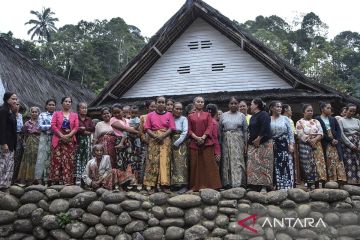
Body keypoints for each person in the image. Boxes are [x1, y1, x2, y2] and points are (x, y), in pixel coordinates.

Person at [188, 96, 222, 191]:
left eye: (202, 102)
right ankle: (196, 186)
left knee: (209, 164)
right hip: (194, 143)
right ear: (194, 103)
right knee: (196, 165)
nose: (200, 103)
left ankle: (212, 185)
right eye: (198, 102)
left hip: (207, 143)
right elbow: (189, 130)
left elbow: (210, 127)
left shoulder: (207, 115)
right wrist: (196, 138)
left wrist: (203, 137)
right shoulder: (190, 116)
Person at [143, 96, 175, 193]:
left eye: (163, 102)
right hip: (153, 139)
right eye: (159, 102)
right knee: (152, 162)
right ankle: (152, 186)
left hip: (165, 140)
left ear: (165, 104)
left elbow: (171, 128)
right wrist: (155, 136)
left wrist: (163, 136)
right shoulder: (150, 115)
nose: (161, 104)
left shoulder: (169, 115)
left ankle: (164, 185)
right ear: (156, 103)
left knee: (164, 161)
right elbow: (147, 128)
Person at [296, 104, 327, 190]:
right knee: (307, 165)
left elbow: (321, 132)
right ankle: (309, 185)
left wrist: (315, 140)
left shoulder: (316, 121)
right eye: (308, 110)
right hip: (305, 146)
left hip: (317, 145)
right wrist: (310, 141)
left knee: (318, 164)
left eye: (311, 111)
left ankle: (317, 185)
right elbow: (300, 133)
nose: (310, 112)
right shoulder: (299, 122)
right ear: (303, 112)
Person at [219, 97, 247, 188]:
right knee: (226, 160)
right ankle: (227, 183)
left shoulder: (242, 116)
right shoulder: (223, 115)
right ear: (229, 105)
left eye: (235, 103)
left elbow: (245, 130)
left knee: (238, 160)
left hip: (238, 140)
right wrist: (219, 143)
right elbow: (220, 130)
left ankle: (239, 182)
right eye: (232, 103)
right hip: (225, 140)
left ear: (238, 104)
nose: (233, 105)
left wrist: (245, 144)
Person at [50, 96, 79, 185]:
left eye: (69, 102)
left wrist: (69, 135)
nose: (68, 103)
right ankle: (56, 181)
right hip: (58, 139)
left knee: (69, 160)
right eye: (66, 101)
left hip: (70, 140)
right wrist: (62, 135)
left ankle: (67, 181)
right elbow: (53, 125)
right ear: (62, 103)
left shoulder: (74, 115)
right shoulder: (56, 113)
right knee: (57, 159)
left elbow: (76, 127)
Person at [110, 103, 139, 190]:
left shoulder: (126, 120)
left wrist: (135, 130)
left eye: (118, 112)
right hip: (120, 141)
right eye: (115, 113)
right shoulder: (113, 120)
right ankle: (122, 185)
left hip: (129, 142)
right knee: (121, 163)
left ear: (122, 111)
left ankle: (132, 184)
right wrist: (137, 132)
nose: (117, 114)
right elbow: (125, 129)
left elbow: (132, 129)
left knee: (131, 162)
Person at [247, 98, 273, 193]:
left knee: (264, 165)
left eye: (251, 104)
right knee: (253, 165)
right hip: (254, 144)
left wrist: (259, 138)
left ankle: (264, 186)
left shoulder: (264, 114)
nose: (250, 106)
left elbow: (265, 127)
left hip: (264, 143)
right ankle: (254, 185)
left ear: (257, 105)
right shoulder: (253, 117)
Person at [316, 102, 347, 183]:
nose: (330, 109)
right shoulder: (317, 119)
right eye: (328, 108)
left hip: (336, 142)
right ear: (322, 109)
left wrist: (337, 139)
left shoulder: (333, 119)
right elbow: (320, 131)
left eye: (330, 108)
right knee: (329, 159)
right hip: (326, 141)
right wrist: (331, 140)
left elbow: (338, 130)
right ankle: (331, 179)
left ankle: (341, 179)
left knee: (338, 158)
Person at [269, 101, 295, 190]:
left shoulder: (285, 119)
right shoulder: (268, 119)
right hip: (273, 145)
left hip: (284, 144)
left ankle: (287, 186)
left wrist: (291, 144)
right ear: (272, 108)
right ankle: (277, 186)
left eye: (280, 107)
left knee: (285, 164)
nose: (280, 108)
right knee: (275, 165)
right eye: (277, 107)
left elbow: (290, 133)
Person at [17, 107, 41, 185]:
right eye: (33, 112)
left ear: (38, 113)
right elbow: (22, 134)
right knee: (28, 159)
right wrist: (24, 143)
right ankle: (27, 178)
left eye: (36, 112)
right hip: (29, 143)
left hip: (39, 142)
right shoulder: (27, 123)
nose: (34, 113)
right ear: (30, 113)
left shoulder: (41, 122)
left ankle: (36, 179)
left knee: (37, 159)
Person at [35, 99, 56, 185]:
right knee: (42, 157)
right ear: (46, 106)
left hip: (55, 138)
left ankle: (50, 178)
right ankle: (40, 178)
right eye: (50, 104)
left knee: (52, 157)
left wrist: (53, 127)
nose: (51, 106)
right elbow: (40, 126)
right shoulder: (42, 115)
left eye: (53, 105)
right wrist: (52, 126)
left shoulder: (57, 115)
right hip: (44, 137)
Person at [338, 103, 360, 184]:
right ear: (346, 110)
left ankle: (358, 181)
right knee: (349, 163)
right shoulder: (341, 120)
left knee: (358, 162)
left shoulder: (357, 121)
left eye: (354, 111)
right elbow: (341, 135)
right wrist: (351, 145)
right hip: (348, 145)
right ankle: (351, 182)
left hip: (358, 144)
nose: (352, 113)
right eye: (350, 111)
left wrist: (359, 144)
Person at [0, 92, 17, 189]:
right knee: (3, 164)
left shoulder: (11, 111)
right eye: (13, 99)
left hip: (11, 143)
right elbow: (1, 128)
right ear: (7, 99)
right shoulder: (3, 111)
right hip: (5, 143)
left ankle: (5, 185)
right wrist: (3, 143)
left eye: (16, 99)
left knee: (8, 164)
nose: (15, 101)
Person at [75, 102, 95, 185]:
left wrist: (83, 129)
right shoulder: (76, 118)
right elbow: (74, 128)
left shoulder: (89, 119)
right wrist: (83, 130)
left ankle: (85, 179)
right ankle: (77, 179)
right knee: (78, 159)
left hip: (87, 142)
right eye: (82, 108)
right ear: (78, 109)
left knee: (87, 159)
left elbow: (92, 128)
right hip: (78, 141)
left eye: (86, 108)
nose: (84, 109)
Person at [171, 102, 188, 193]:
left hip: (181, 144)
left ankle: (182, 184)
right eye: (177, 108)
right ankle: (174, 184)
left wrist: (176, 143)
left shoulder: (184, 119)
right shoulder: (170, 118)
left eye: (180, 109)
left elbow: (185, 132)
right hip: (170, 141)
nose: (178, 110)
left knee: (181, 164)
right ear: (173, 109)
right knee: (172, 163)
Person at [138, 100, 156, 189]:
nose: (153, 108)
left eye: (155, 106)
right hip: (146, 141)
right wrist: (144, 139)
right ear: (147, 108)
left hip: (156, 140)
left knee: (154, 162)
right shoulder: (143, 117)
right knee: (144, 161)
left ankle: (154, 184)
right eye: (152, 106)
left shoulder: (158, 116)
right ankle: (143, 184)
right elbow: (140, 131)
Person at [282, 104, 300, 187]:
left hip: (292, 143)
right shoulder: (285, 119)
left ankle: (293, 181)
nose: (291, 111)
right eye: (290, 109)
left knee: (293, 162)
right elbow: (292, 133)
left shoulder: (290, 120)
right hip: (287, 142)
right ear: (285, 110)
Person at [128, 105, 142, 185]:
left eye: (135, 113)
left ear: (138, 113)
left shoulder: (138, 120)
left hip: (136, 142)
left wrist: (132, 131)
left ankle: (137, 179)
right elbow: (128, 130)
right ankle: (131, 180)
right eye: (132, 112)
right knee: (131, 160)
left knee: (137, 160)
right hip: (130, 142)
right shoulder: (128, 120)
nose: (133, 114)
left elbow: (138, 131)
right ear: (130, 112)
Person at [12, 100, 24, 183]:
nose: (17, 106)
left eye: (18, 104)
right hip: (11, 137)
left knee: (18, 157)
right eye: (15, 104)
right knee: (10, 157)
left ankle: (14, 178)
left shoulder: (20, 115)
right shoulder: (9, 115)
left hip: (19, 137)